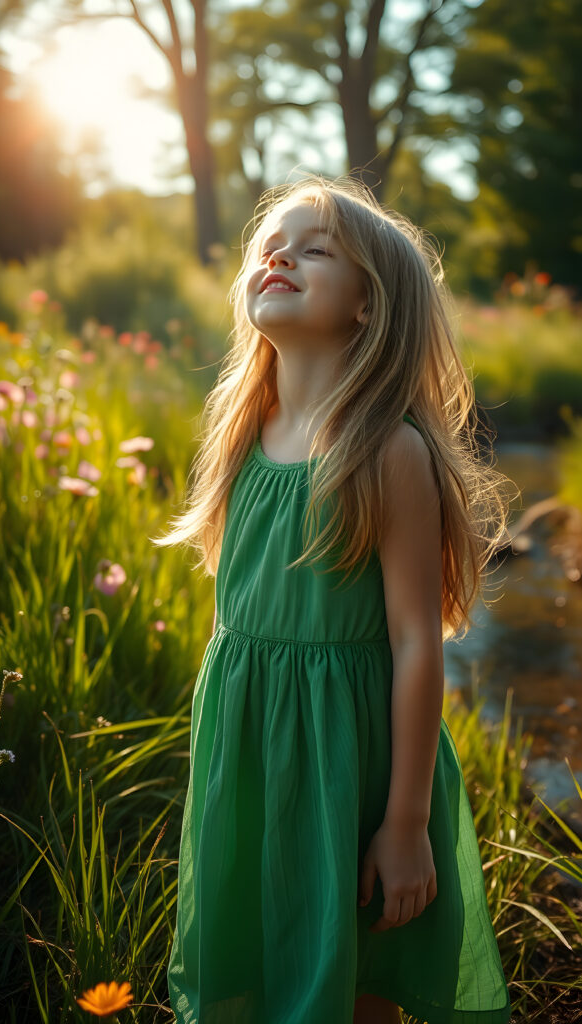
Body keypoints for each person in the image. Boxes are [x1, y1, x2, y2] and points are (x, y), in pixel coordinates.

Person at [155, 175, 513, 1024]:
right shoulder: (245, 435)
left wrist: (403, 822)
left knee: (352, 964)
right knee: (256, 945)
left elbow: (419, 642)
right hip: (249, 735)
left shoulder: (386, 452)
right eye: (269, 245)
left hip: (350, 748)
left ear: (367, 306)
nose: (278, 254)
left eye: (315, 249)